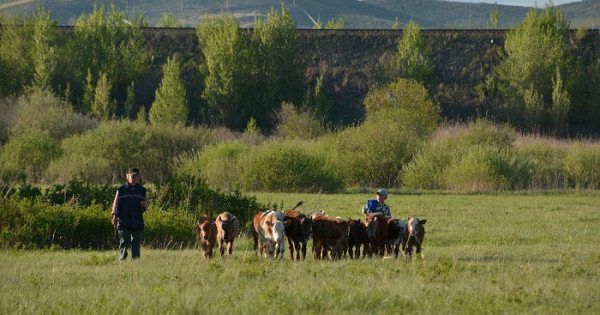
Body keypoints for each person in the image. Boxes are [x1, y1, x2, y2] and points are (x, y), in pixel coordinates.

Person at [111, 167, 149, 260]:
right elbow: (115, 204)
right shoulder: (121, 190)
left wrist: (145, 204)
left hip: (137, 220)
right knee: (124, 240)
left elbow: (147, 203)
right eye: (133, 176)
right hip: (123, 220)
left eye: (136, 176)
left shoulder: (142, 190)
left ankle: (136, 260)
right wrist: (115, 216)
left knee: (136, 241)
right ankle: (122, 258)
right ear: (127, 176)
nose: (134, 178)